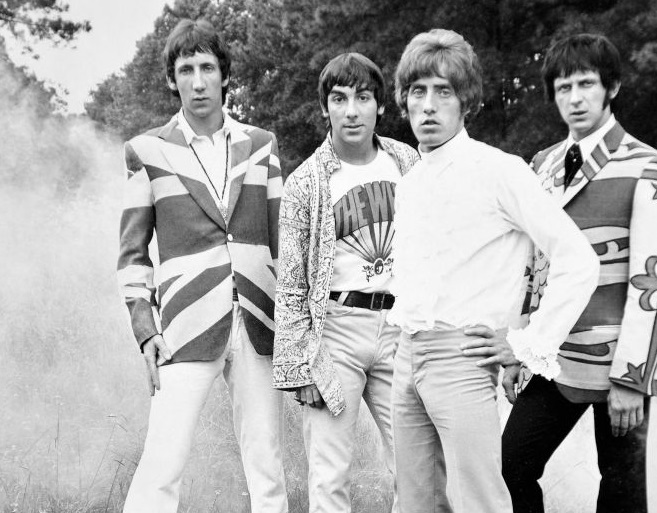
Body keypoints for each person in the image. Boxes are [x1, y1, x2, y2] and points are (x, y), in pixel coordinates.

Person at [388, 29, 600, 513]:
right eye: (418, 91)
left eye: (444, 92)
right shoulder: (410, 182)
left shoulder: (499, 170)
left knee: (480, 503)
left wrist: (527, 344)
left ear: (466, 101)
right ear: (404, 100)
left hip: (463, 358)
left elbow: (578, 260)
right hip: (406, 355)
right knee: (414, 503)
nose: (428, 106)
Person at [502, 34, 657, 513]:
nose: (575, 98)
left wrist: (632, 379)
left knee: (622, 491)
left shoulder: (651, 168)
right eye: (564, 88)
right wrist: (520, 348)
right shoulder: (541, 167)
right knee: (511, 466)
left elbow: (655, 283)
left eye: (586, 84)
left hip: (620, 362)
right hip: (553, 356)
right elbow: (532, 268)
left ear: (612, 87)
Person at [117, 18, 287, 513]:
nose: (198, 81)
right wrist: (145, 331)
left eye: (207, 68)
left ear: (224, 75)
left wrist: (295, 322)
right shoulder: (147, 151)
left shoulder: (262, 145)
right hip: (184, 325)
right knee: (162, 461)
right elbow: (132, 254)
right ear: (172, 79)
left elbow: (283, 241)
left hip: (258, 321)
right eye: (186, 70)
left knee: (267, 465)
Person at [272, 53, 418, 513]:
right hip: (335, 333)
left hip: (400, 328)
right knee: (330, 474)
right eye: (339, 99)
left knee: (416, 465)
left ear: (380, 105)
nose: (351, 111)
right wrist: (301, 365)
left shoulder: (408, 162)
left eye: (363, 98)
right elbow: (291, 283)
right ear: (325, 108)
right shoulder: (305, 183)